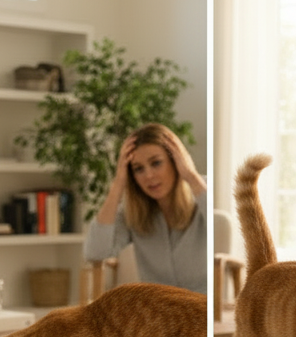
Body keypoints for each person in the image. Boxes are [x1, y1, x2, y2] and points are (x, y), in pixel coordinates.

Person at [83, 123, 207, 295]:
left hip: (202, 305)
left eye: (156, 163)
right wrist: (118, 184)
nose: (148, 175)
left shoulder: (202, 191)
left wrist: (191, 176)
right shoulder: (133, 212)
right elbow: (95, 252)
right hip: (156, 307)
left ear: (176, 161)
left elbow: (223, 230)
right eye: (138, 169)